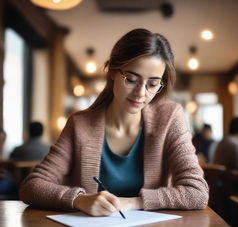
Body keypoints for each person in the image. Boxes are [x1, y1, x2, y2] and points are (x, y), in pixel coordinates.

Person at [19, 28, 209, 216]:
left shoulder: (169, 118)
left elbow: (197, 193)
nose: (141, 93)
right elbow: (32, 187)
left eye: (152, 84)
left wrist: (135, 202)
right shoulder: (80, 124)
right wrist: (79, 200)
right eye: (132, 79)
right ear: (112, 72)